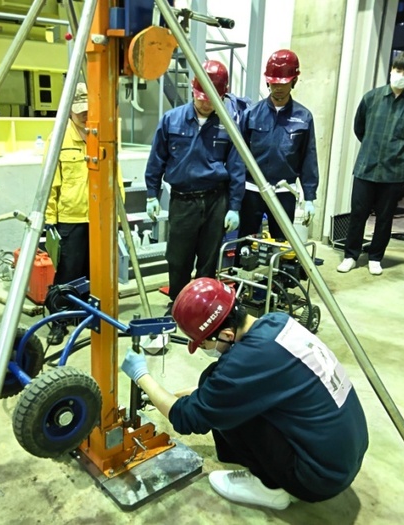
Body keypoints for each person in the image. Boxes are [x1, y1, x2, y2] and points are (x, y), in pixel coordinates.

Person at [120, 278, 368, 510]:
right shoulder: (276, 322)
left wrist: (142, 375)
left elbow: (187, 419)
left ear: (226, 335)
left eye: (204, 343)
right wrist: (191, 394)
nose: (202, 349)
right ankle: (277, 471)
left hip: (318, 478)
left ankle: (270, 487)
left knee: (218, 392)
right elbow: (255, 383)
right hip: (344, 455)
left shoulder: (243, 363)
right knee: (213, 382)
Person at [145, 60, 245, 311]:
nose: (206, 102)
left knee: (209, 259)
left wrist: (234, 206)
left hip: (216, 200)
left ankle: (202, 305)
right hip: (183, 200)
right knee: (179, 257)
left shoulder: (228, 124)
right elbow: (156, 159)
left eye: (212, 98)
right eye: (202, 97)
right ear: (193, 90)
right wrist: (151, 195)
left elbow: (236, 168)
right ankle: (178, 303)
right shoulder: (171, 120)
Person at [338, 50, 404, 276]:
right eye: (398, 70)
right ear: (391, 70)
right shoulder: (372, 97)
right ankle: (351, 255)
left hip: (395, 172)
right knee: (357, 214)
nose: (401, 75)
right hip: (366, 167)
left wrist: (401, 154)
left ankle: (375, 257)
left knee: (385, 217)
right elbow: (359, 128)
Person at [237, 49, 319, 243]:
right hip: (252, 190)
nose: (278, 88)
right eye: (274, 83)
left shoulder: (303, 117)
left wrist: (309, 198)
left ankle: (279, 274)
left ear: (294, 81)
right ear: (267, 81)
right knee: (245, 243)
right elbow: (238, 155)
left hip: (284, 191)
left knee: (282, 244)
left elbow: (308, 158)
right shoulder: (251, 114)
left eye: (283, 83)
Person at [44, 82, 92, 345]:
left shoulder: (102, 133)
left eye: (88, 109)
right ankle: (59, 322)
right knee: (68, 274)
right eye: (79, 110)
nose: (84, 114)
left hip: (99, 219)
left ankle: (86, 317)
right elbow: (50, 182)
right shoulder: (59, 138)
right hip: (69, 219)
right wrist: (50, 220)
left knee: (95, 273)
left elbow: (115, 177)